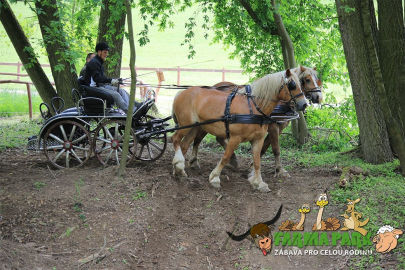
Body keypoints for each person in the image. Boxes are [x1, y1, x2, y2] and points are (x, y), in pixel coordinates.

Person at [79, 42, 135, 113]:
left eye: (107, 53)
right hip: (92, 89)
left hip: (99, 86)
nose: (107, 55)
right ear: (99, 52)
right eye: (105, 52)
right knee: (116, 95)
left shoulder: (98, 62)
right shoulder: (94, 63)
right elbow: (97, 78)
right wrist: (111, 81)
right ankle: (129, 112)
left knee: (121, 91)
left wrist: (115, 80)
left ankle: (134, 107)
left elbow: (102, 78)